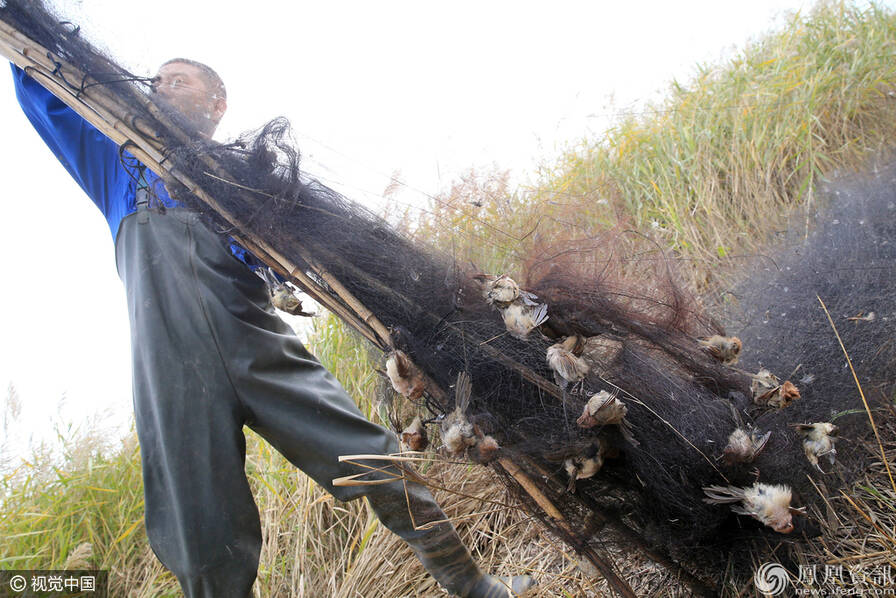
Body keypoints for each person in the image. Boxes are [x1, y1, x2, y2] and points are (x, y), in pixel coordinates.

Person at [11, 58, 536, 598]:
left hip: (259, 351)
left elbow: (301, 257)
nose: (159, 85)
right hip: (170, 375)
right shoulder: (116, 164)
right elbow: (38, 84)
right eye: (156, 78)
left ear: (217, 106)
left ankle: (475, 588)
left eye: (178, 79)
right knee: (203, 538)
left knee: (375, 460)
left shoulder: (237, 182)